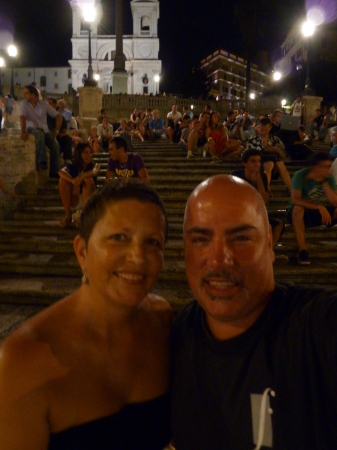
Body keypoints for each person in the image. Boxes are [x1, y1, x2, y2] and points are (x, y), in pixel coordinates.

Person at [0, 181, 172, 449]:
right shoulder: (21, 360)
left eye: (152, 242)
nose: (138, 257)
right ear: (82, 252)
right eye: (118, 238)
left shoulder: (162, 322)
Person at [171, 174, 337, 449]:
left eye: (241, 238)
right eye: (200, 239)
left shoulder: (315, 328)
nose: (219, 259)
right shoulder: (176, 336)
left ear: (269, 242)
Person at [286, 152, 337, 265]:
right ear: (315, 167)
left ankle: (328, 221)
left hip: (313, 212)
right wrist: (319, 206)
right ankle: (303, 251)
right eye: (325, 166)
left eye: (329, 166)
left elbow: (335, 201)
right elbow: (295, 200)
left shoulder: (328, 178)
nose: (328, 169)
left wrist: (324, 182)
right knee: (298, 208)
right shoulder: (301, 175)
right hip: (295, 212)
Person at [232, 149, 285, 249]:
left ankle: (267, 253)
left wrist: (259, 181)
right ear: (245, 163)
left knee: (278, 225)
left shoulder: (262, 177)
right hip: (239, 214)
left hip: (257, 214)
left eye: (259, 161)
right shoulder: (236, 176)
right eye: (253, 161)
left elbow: (265, 201)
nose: (257, 164)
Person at [20, 85, 61, 178]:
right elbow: (22, 117)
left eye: (26, 93)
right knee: (39, 134)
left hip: (44, 130)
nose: (24, 95)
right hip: (31, 128)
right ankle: (42, 161)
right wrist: (23, 131)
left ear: (33, 94)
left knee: (55, 145)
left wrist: (57, 129)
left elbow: (58, 116)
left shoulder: (44, 104)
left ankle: (54, 171)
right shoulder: (24, 104)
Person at [58, 143, 100, 228]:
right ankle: (68, 215)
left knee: (88, 180)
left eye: (90, 152)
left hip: (89, 198)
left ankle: (83, 217)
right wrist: (73, 181)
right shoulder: (72, 166)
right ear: (79, 153)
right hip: (75, 197)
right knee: (62, 181)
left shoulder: (94, 165)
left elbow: (94, 172)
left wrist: (81, 176)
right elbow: (60, 172)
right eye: (85, 152)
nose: (89, 155)